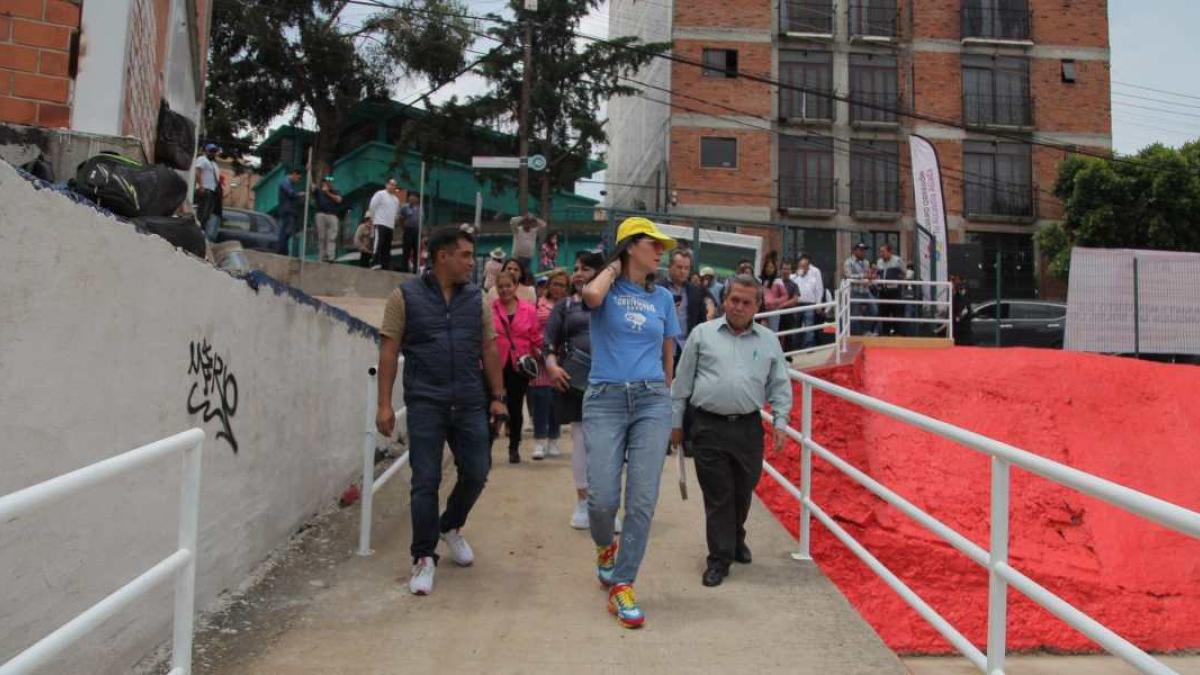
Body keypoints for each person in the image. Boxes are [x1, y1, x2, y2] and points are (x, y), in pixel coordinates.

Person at [376, 227, 508, 596]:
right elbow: (388, 350)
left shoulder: (476, 299)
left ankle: (450, 525)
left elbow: (489, 347)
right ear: (442, 257)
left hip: (469, 400)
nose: (471, 262)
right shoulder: (404, 297)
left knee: (478, 471)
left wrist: (498, 396)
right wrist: (385, 404)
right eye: (465, 255)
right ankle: (423, 557)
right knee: (425, 481)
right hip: (426, 401)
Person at [580, 217, 681, 629]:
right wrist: (613, 267)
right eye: (651, 243)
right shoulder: (606, 288)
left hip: (651, 399)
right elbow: (589, 296)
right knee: (602, 499)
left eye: (662, 245)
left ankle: (623, 582)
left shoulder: (664, 299)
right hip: (605, 397)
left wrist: (669, 402)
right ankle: (606, 546)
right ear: (629, 247)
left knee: (641, 500)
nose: (660, 251)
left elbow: (668, 352)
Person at [671, 275, 793, 588]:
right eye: (734, 300)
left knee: (742, 491)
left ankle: (736, 537)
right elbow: (682, 383)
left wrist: (780, 421)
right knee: (718, 496)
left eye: (746, 302)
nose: (738, 307)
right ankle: (719, 559)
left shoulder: (768, 341)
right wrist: (675, 424)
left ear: (757, 305)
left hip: (749, 428)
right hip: (708, 427)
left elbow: (780, 383)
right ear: (725, 300)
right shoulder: (702, 334)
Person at [544, 251, 604, 529]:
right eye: (577, 268)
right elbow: (547, 343)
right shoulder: (564, 306)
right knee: (580, 441)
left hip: (609, 383)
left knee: (609, 445)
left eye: (586, 269)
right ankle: (582, 502)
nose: (579, 273)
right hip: (576, 382)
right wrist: (553, 367)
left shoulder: (611, 304)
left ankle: (605, 505)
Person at [491, 271, 542, 464]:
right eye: (501, 286)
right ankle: (487, 446)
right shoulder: (490, 309)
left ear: (516, 287)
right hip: (495, 362)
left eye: (508, 286)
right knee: (491, 405)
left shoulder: (528, 310)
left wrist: (545, 353)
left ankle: (514, 446)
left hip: (519, 364)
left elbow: (535, 336)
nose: (504, 290)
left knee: (515, 407)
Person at [663, 248, 706, 455]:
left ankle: (688, 439)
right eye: (679, 267)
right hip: (663, 348)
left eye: (686, 268)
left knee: (689, 394)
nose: (682, 272)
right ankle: (663, 440)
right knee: (663, 393)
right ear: (670, 267)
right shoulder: (656, 289)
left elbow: (701, 322)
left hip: (688, 347)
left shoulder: (696, 292)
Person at [528, 269, 569, 460]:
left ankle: (554, 439)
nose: (558, 288)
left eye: (562, 285)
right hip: (540, 358)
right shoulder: (539, 305)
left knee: (556, 403)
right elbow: (532, 328)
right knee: (540, 401)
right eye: (555, 284)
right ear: (549, 285)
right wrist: (539, 350)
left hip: (561, 360)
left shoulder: (570, 306)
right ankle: (539, 441)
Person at [843, 242, 877, 336]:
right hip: (855, 291)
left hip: (866, 290)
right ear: (854, 251)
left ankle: (866, 331)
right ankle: (855, 335)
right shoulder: (848, 262)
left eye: (864, 250)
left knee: (874, 310)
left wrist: (872, 275)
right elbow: (848, 276)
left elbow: (868, 275)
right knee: (854, 315)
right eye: (861, 250)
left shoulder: (866, 262)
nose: (863, 253)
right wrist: (863, 276)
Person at [367, 179, 401, 270]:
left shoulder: (396, 200)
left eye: (394, 185)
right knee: (378, 243)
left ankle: (385, 264)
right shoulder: (380, 194)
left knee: (387, 246)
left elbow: (396, 213)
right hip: (380, 222)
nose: (392, 186)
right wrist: (373, 219)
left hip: (390, 225)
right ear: (386, 185)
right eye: (391, 184)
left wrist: (394, 222)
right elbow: (372, 206)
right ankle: (374, 262)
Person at [793, 254, 824, 349]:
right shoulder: (795, 275)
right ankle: (795, 346)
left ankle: (809, 346)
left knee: (809, 325)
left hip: (810, 303)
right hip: (797, 303)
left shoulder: (815, 272)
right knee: (796, 325)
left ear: (808, 265)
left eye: (804, 265)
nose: (802, 267)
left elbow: (819, 288)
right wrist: (797, 274)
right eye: (801, 265)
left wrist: (818, 304)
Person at [193, 143, 222, 240]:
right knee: (202, 212)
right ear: (206, 151)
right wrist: (200, 186)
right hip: (205, 189)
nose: (213, 153)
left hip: (213, 191)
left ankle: (201, 231)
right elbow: (198, 172)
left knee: (208, 214)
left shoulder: (213, 164)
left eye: (214, 151)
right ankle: (197, 231)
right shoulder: (202, 159)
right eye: (211, 151)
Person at [876, 244, 905, 336]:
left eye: (883, 252)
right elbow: (878, 274)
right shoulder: (879, 262)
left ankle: (897, 333)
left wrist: (899, 281)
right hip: (883, 291)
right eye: (880, 252)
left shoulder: (897, 260)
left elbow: (904, 273)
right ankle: (885, 333)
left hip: (894, 291)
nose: (881, 254)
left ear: (889, 252)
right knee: (884, 312)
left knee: (896, 312)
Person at [313, 176, 344, 262]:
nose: (329, 183)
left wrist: (328, 193)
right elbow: (312, 186)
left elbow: (339, 200)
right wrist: (310, 171)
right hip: (321, 215)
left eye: (331, 181)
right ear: (323, 183)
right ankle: (322, 257)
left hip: (332, 215)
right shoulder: (318, 191)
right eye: (327, 181)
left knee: (331, 237)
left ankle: (331, 257)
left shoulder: (336, 192)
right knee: (321, 237)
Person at [777, 260, 802, 352]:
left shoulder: (794, 285)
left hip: (788, 315)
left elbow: (795, 300)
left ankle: (787, 357)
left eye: (788, 269)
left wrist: (782, 305)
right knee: (776, 337)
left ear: (791, 271)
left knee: (788, 337)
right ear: (780, 270)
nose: (786, 271)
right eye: (784, 268)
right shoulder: (775, 282)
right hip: (775, 315)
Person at [277, 168, 303, 256]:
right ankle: (282, 251)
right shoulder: (285, 182)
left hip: (288, 210)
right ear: (294, 174)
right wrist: (299, 194)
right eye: (298, 178)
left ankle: (283, 251)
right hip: (287, 210)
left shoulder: (288, 183)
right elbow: (290, 193)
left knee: (287, 231)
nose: (298, 181)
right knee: (285, 231)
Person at [760, 255, 788, 332]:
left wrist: (774, 301)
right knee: (761, 331)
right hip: (762, 309)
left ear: (774, 269)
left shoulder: (778, 280)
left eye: (771, 267)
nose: (769, 269)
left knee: (772, 331)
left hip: (774, 310)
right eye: (767, 267)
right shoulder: (760, 280)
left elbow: (785, 296)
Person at [400, 193, 422, 273]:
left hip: (417, 231)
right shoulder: (405, 207)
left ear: (417, 199)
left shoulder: (420, 208)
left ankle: (415, 269)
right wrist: (404, 227)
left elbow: (422, 220)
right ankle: (404, 269)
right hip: (408, 230)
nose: (411, 199)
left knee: (416, 250)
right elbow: (401, 218)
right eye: (410, 197)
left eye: (413, 198)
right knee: (406, 250)